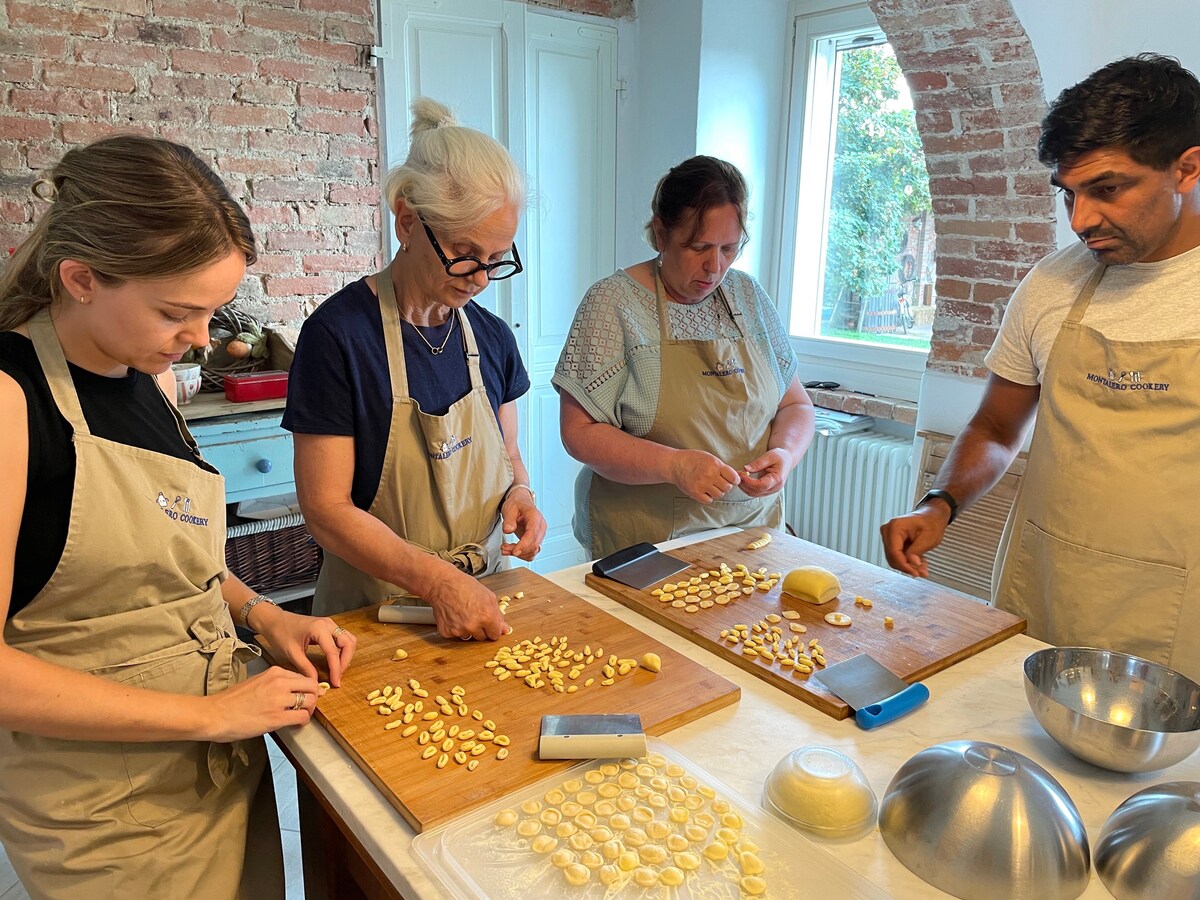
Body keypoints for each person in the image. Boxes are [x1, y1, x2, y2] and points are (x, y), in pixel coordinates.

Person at [0, 135, 357, 898]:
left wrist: (263, 615)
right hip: (108, 813)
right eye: (176, 312)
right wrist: (209, 718)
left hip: (219, 762)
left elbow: (175, 556)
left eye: (210, 312)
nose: (200, 338)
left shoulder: (149, 383)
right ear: (82, 278)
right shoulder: (10, 403)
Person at [880, 54, 1200, 681]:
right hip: (1045, 594)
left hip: (1174, 624)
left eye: (1107, 189)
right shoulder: (1053, 284)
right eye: (1069, 194)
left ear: (1186, 167)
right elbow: (998, 429)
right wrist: (940, 503)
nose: (1081, 221)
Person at [285, 98, 545, 639]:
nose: (479, 278)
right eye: (464, 252)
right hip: (372, 615)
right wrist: (437, 582)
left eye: (497, 259)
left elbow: (509, 453)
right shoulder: (338, 338)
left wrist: (521, 494)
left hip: (482, 597)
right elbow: (326, 509)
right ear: (407, 221)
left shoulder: (493, 339)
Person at [555, 156, 814, 558]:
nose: (715, 267)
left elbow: (795, 403)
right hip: (645, 540)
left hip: (750, 532)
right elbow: (580, 432)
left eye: (730, 248)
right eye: (699, 248)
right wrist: (673, 466)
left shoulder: (749, 297)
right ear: (661, 233)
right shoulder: (613, 303)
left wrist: (786, 453)